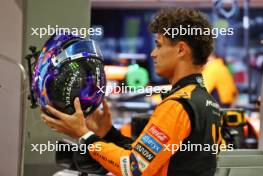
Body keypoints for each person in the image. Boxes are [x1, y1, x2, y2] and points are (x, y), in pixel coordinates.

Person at [42, 8, 222, 176]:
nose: (153, 53)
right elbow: (150, 158)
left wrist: (84, 135)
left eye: (159, 46)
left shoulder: (177, 106)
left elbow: (133, 167)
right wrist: (109, 133)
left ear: (181, 49)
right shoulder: (206, 101)